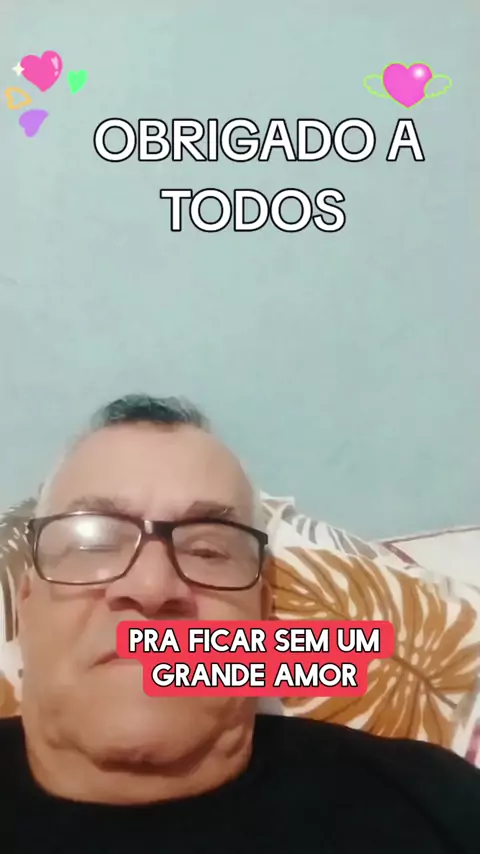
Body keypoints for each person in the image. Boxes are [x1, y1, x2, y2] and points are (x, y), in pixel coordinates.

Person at [1, 394, 479, 854]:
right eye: (96, 544)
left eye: (208, 550)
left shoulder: (434, 797)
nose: (152, 587)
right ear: (26, 605)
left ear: (262, 614)